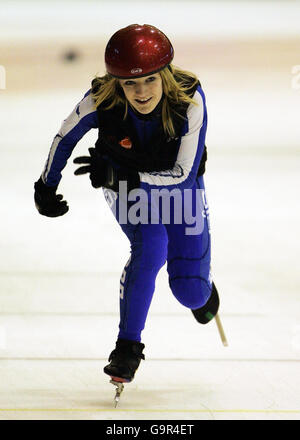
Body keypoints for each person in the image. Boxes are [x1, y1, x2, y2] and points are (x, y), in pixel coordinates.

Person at [34, 24, 220, 386]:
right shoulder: (101, 99)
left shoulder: (190, 100)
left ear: (165, 74)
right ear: (115, 82)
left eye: (150, 80)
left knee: (190, 292)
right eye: (129, 84)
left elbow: (182, 175)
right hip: (123, 183)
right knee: (150, 248)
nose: (141, 92)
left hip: (175, 188)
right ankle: (127, 347)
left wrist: (125, 178)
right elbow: (65, 135)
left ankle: (203, 289)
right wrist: (45, 185)